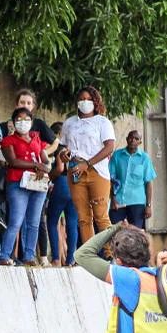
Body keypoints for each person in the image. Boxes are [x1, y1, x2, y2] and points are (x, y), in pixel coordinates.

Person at [61, 86, 115, 242]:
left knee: (101, 216)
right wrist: (64, 154)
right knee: (83, 218)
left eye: (89, 99)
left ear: (95, 102)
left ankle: (111, 254)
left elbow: (109, 147)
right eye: (82, 99)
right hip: (75, 171)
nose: (85, 102)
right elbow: (64, 147)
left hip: (97, 172)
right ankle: (88, 257)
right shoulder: (69, 123)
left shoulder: (102, 122)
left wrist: (88, 164)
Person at [0, 107, 49, 266]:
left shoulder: (36, 138)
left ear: (32, 122)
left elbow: (45, 160)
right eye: (18, 120)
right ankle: (5, 255)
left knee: (33, 222)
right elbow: (13, 161)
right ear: (13, 122)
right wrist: (36, 165)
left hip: (37, 184)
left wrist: (44, 167)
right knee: (16, 221)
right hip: (17, 184)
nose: (22, 123)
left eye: (26, 119)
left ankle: (29, 256)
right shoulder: (8, 141)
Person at [109, 130, 156, 229]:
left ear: (140, 142)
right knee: (113, 232)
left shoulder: (145, 158)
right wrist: (113, 199)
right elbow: (111, 179)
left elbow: (148, 183)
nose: (133, 140)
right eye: (131, 138)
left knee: (135, 234)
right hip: (118, 202)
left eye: (136, 139)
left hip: (137, 202)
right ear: (127, 139)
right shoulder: (117, 155)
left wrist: (148, 205)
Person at [47, 121, 79, 267]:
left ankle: (55, 258)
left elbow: (59, 169)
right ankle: (71, 259)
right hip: (75, 185)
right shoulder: (77, 148)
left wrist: (48, 177)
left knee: (52, 221)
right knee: (72, 223)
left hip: (61, 184)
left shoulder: (60, 148)